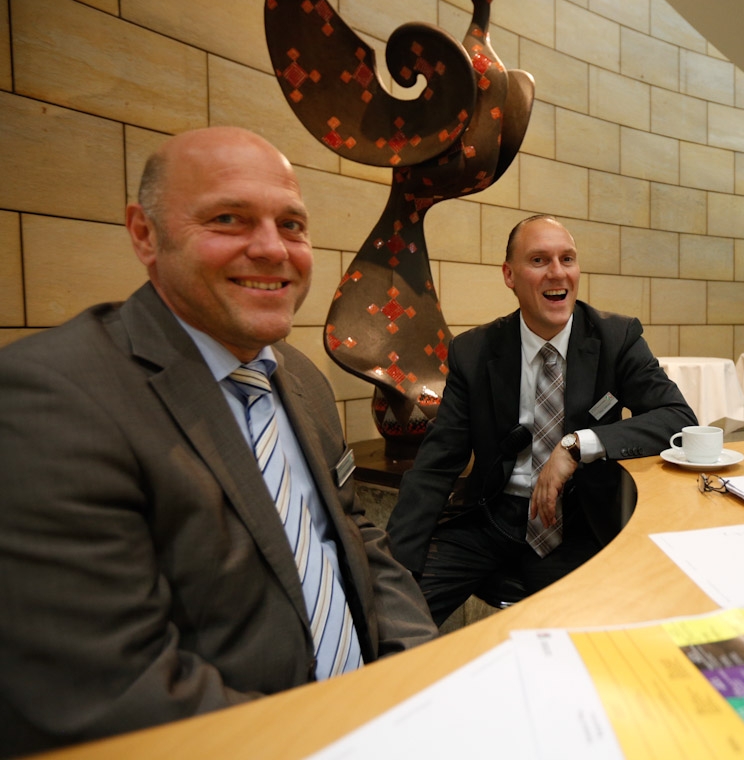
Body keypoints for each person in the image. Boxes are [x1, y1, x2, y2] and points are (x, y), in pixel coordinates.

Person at [0, 127, 438, 756]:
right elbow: (114, 693)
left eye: (291, 225)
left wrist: (418, 677)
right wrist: (345, 739)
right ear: (145, 234)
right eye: (228, 219)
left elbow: (358, 539)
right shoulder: (53, 399)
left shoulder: (300, 377)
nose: (272, 249)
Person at [387, 215, 696, 625]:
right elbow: (436, 463)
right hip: (491, 519)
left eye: (567, 259)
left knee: (568, 633)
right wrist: (392, 567)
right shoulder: (473, 351)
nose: (557, 272)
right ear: (509, 275)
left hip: (579, 523)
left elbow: (677, 419)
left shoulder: (616, 339)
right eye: (539, 260)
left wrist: (577, 445)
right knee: (390, 616)